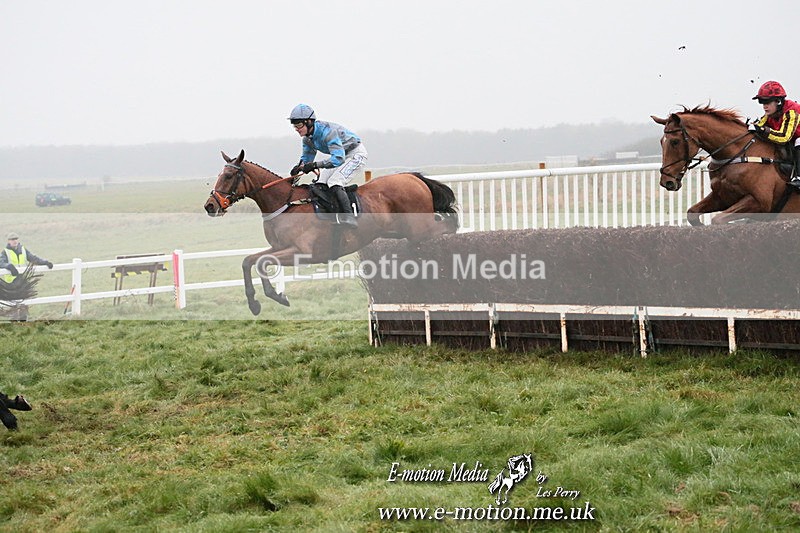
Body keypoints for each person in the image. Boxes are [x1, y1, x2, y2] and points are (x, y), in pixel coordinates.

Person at [287, 104, 368, 227]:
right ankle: (332, 215)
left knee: (334, 181)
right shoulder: (307, 139)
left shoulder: (328, 133)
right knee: (320, 184)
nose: (296, 129)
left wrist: (315, 165)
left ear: (309, 122)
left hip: (355, 154)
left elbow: (338, 159)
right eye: (294, 126)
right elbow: (307, 159)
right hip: (341, 156)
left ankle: (349, 217)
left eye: (298, 125)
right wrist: (298, 168)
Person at [748, 81, 800, 188]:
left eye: (767, 102)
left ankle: (799, 177)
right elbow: (758, 126)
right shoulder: (770, 114)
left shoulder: (792, 111)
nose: (764, 106)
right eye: (762, 102)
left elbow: (784, 137)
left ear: (778, 101)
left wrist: (764, 131)